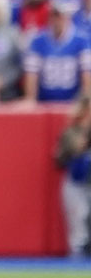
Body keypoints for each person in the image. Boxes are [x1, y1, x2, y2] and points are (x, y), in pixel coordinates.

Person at [22, 0, 91, 105]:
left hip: (73, 103)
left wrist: (86, 102)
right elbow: (32, 73)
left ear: (67, 18)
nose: (56, 20)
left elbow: (86, 73)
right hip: (44, 102)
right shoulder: (38, 41)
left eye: (59, 16)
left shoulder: (81, 41)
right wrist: (31, 99)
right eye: (53, 16)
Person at [55, 97, 91, 258]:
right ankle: (78, 256)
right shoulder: (72, 131)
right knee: (79, 218)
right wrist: (79, 147)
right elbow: (59, 160)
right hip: (77, 183)